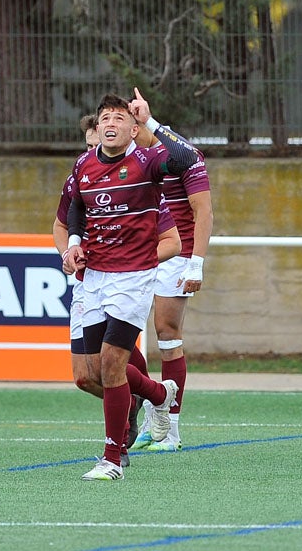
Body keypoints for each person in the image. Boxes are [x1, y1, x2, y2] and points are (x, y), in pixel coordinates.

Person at [61, 88, 197, 480]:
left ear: (133, 128)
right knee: (88, 374)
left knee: (112, 363)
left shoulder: (147, 160)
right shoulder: (84, 164)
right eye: (105, 117)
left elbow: (187, 159)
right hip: (94, 280)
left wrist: (152, 122)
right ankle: (159, 394)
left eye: (120, 118)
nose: (110, 123)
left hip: (132, 278)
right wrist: (72, 246)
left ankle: (112, 457)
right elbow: (76, 208)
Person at [127, 104, 214, 454]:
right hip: (141, 254)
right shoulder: (132, 159)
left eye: (130, 123)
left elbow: (203, 210)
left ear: (138, 126)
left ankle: (171, 429)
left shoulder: (182, 154)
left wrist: (196, 264)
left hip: (178, 254)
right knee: (120, 331)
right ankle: (153, 407)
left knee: (166, 332)